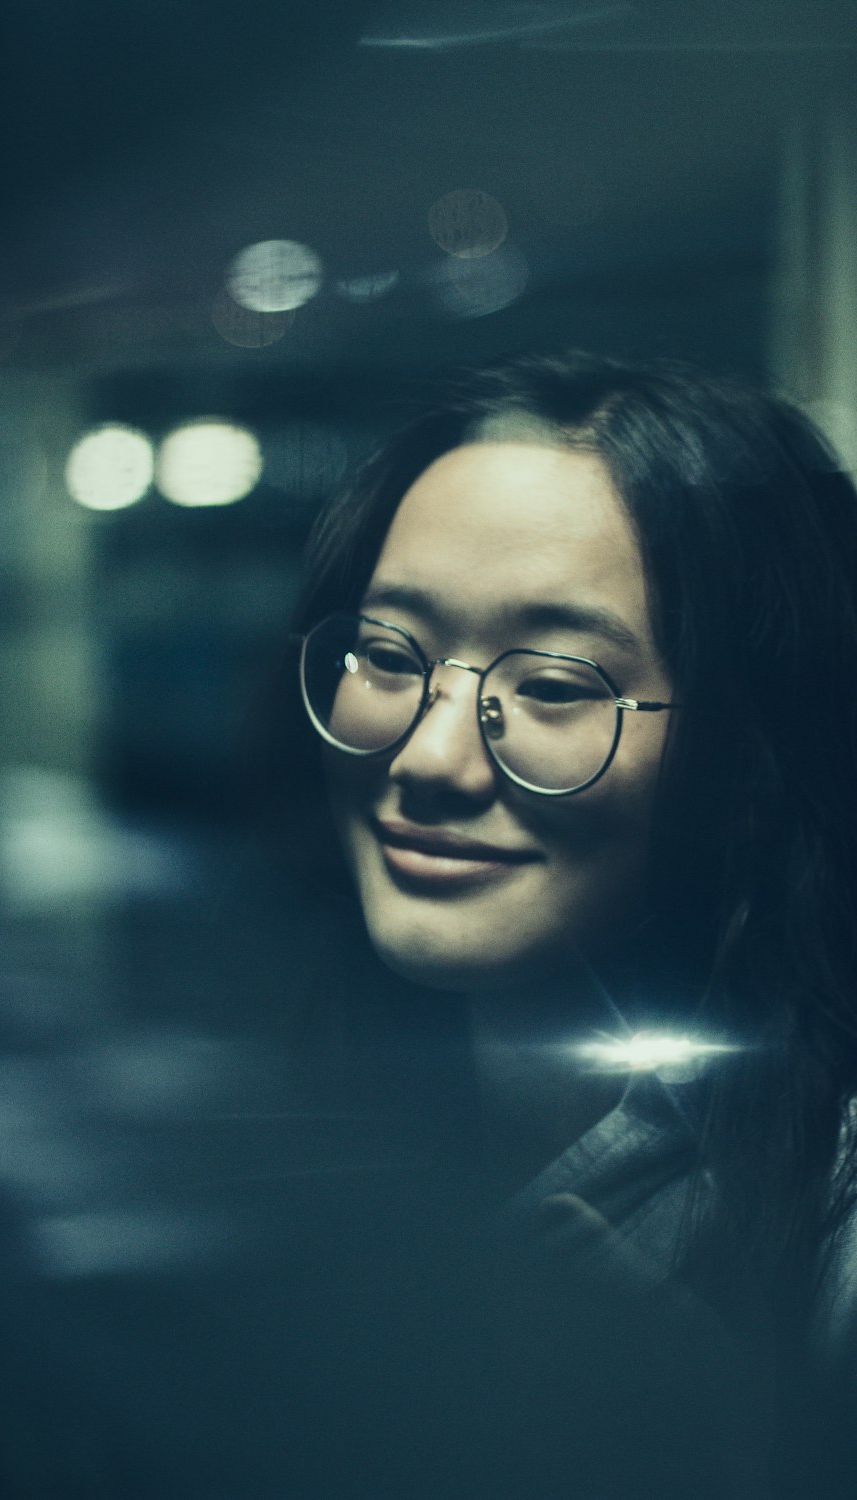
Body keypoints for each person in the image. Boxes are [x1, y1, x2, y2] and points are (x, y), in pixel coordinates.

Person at [268, 351, 857, 1498]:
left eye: (554, 685)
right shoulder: (322, 1112)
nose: (427, 757)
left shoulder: (825, 1244)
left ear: (748, 761)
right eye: (388, 656)